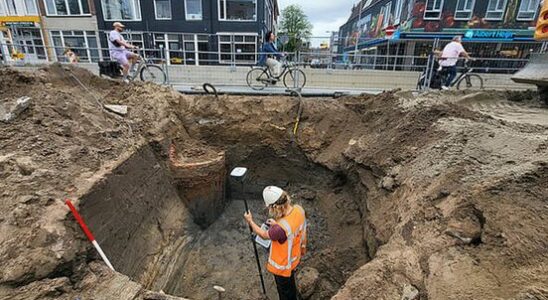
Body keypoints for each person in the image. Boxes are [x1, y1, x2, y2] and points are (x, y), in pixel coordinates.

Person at [244, 186, 307, 300]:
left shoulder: (279, 229)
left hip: (282, 267)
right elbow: (294, 227)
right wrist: (277, 224)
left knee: (285, 292)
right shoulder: (298, 210)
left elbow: (263, 235)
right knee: (290, 285)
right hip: (294, 256)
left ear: (275, 207)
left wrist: (250, 221)